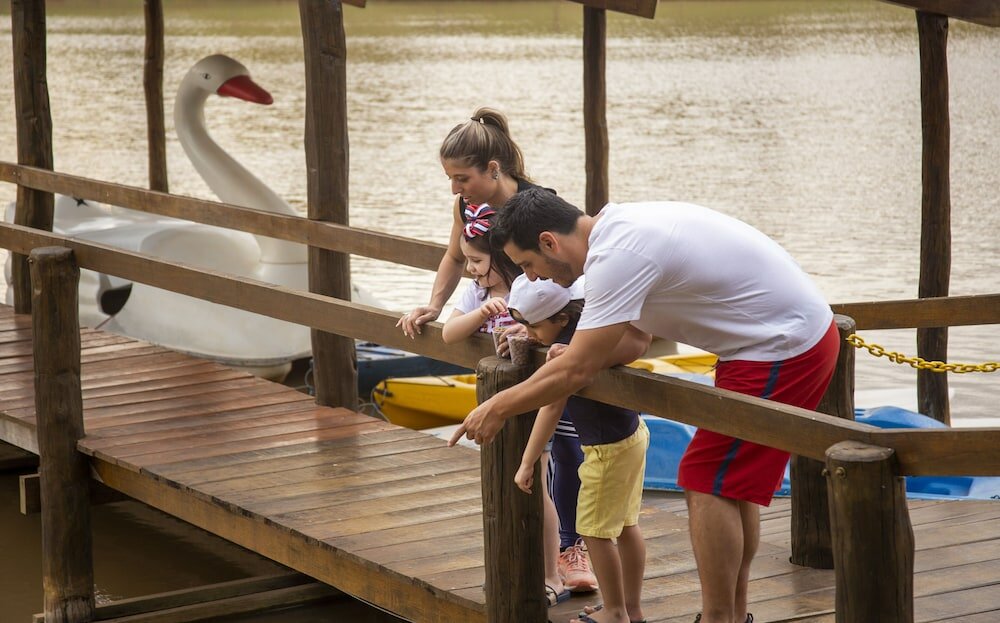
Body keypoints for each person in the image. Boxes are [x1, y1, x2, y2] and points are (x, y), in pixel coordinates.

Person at [450, 188, 839, 623]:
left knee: (705, 479)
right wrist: (580, 351)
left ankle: (718, 619)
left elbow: (577, 371)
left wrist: (498, 406)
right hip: (768, 342)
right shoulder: (615, 234)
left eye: (527, 265)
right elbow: (633, 340)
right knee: (730, 485)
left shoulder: (616, 255)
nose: (534, 278)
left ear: (548, 242)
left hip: (781, 346)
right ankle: (733, 615)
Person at [398, 108, 598, 595]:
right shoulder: (467, 208)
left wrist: (543, 331)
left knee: (566, 443)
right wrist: (434, 305)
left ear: (493, 168)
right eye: (449, 178)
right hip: (508, 334)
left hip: (554, 332)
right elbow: (452, 255)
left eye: (461, 177)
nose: (454, 188)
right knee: (527, 450)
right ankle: (541, 557)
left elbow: (575, 271)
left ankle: (574, 548)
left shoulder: (536, 206)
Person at [508, 275, 649, 623]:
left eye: (533, 326)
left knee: (593, 530)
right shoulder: (591, 331)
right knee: (626, 526)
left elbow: (551, 406)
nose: (529, 333)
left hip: (607, 448)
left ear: (561, 319)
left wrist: (527, 462)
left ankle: (615, 613)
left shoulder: (566, 353)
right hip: (632, 434)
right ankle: (632, 608)